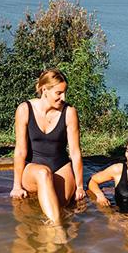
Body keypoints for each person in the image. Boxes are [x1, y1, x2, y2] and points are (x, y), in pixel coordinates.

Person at [10, 68, 86, 224]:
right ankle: (57, 230)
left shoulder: (69, 112)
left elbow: (75, 152)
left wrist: (79, 186)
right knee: (43, 173)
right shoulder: (24, 110)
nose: (63, 97)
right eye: (59, 93)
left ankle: (51, 235)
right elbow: (20, 151)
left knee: (59, 208)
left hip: (60, 166)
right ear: (45, 89)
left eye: (64, 92)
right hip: (34, 170)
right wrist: (16, 185)